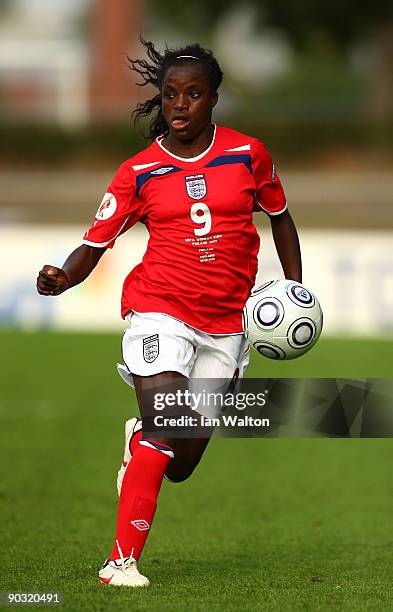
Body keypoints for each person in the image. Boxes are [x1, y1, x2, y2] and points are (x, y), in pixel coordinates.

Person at [36, 39, 302, 588]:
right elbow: (96, 241)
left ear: (214, 99)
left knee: (179, 464)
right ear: (162, 100)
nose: (180, 105)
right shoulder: (139, 171)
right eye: (171, 95)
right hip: (161, 311)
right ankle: (120, 562)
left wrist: (294, 288)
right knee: (165, 423)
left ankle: (141, 444)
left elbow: (280, 216)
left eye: (193, 94)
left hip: (228, 325)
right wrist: (64, 277)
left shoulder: (249, 154)